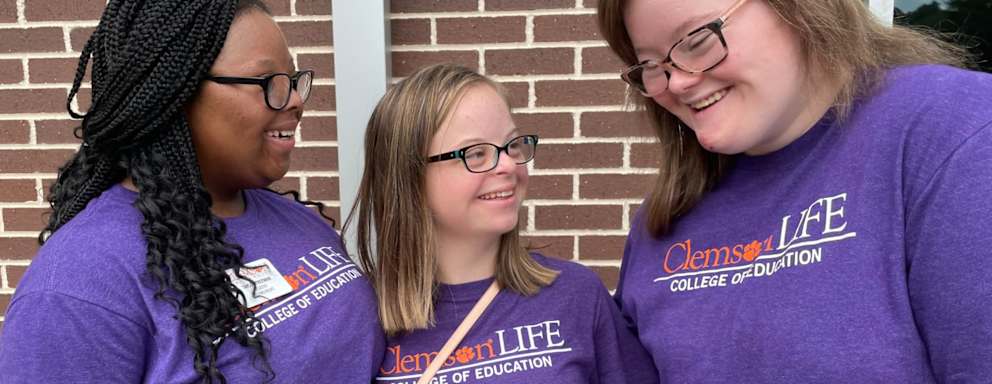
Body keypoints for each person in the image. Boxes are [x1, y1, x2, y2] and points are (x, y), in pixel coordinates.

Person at [597, 0, 992, 381]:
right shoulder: (665, 216)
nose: (677, 82)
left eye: (698, 41)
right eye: (652, 65)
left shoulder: (952, 131)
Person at [0, 1, 383, 382]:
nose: (296, 100)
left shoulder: (290, 217)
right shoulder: (77, 290)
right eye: (268, 82)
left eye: (293, 80)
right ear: (171, 94)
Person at [346, 63, 659, 384]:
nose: (508, 164)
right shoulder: (360, 317)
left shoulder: (577, 296)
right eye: (475, 153)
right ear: (409, 177)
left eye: (511, 144)